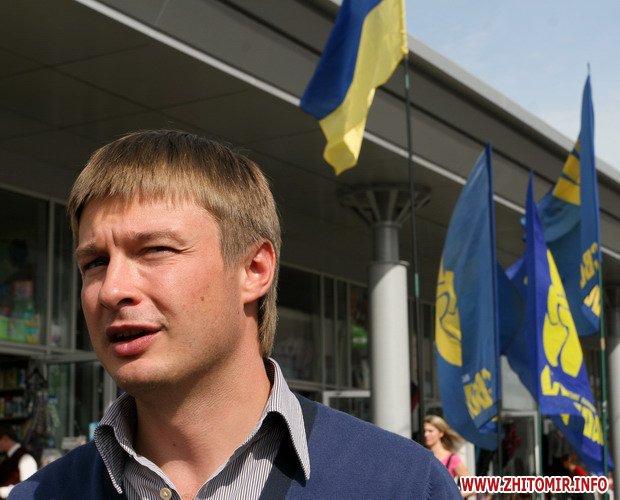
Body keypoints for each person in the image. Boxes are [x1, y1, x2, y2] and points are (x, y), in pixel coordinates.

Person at [10, 130, 459, 499]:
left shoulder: (402, 485)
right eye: (94, 262)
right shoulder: (42, 494)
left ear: (254, 270)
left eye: (155, 250)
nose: (112, 290)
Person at [424, 415, 470, 480]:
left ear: (441, 433)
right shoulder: (422, 457)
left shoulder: (452, 459)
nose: (425, 434)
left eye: (430, 431)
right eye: (424, 431)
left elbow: (470, 484)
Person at [0, 425, 37, 499]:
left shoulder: (25, 458)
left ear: (5, 439)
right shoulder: (9, 458)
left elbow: (28, 488)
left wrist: (1, 491)